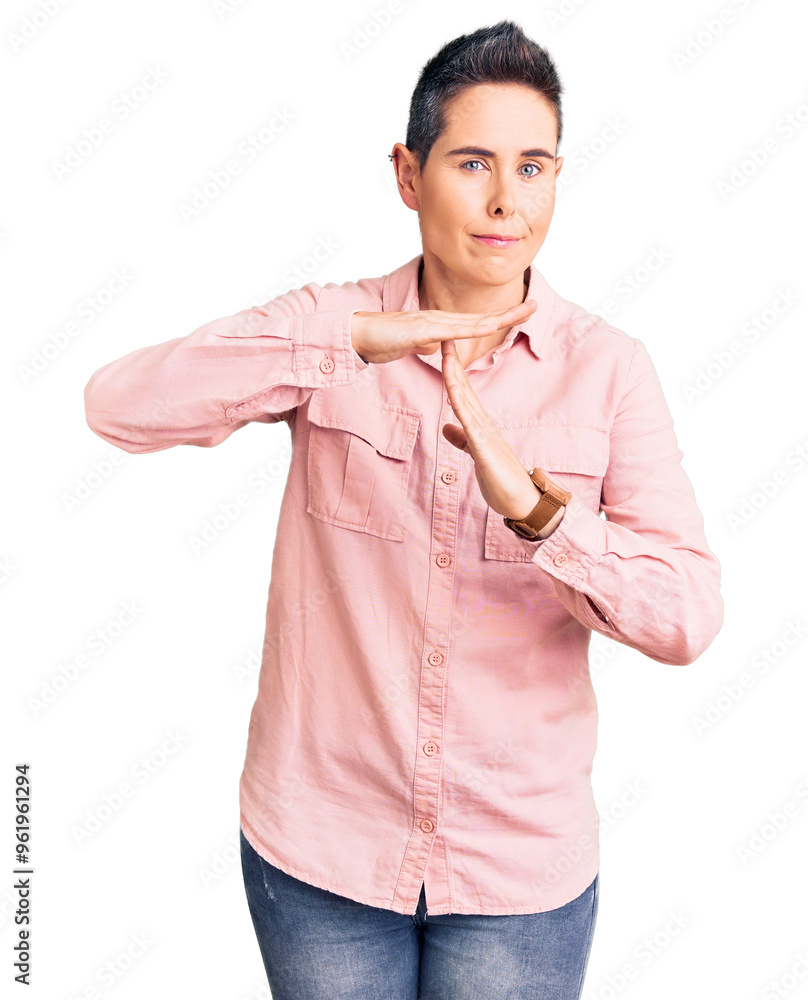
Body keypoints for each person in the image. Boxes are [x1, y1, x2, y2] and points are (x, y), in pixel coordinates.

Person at [83, 19, 724, 1000]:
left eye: (534, 166)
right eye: (473, 163)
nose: (508, 199)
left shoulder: (608, 371)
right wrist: (352, 341)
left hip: (519, 873)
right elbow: (116, 405)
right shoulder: (329, 327)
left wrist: (540, 514)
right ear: (407, 172)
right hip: (320, 850)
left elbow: (686, 614)